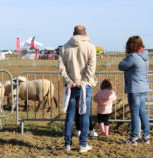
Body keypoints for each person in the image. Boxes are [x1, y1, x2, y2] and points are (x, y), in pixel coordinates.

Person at [59, 25, 97, 153]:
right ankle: (83, 144)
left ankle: (67, 144)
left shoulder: (65, 47)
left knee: (70, 115)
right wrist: (84, 81)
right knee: (85, 115)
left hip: (71, 86)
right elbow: (91, 68)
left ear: (73, 33)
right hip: (85, 86)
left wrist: (69, 81)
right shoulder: (91, 47)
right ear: (85, 33)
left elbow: (61, 67)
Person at [118, 36, 150, 145]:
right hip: (143, 88)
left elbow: (121, 66)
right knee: (143, 112)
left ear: (131, 45)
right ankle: (146, 136)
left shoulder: (133, 57)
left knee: (135, 113)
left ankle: (133, 138)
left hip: (135, 89)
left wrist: (127, 56)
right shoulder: (145, 56)